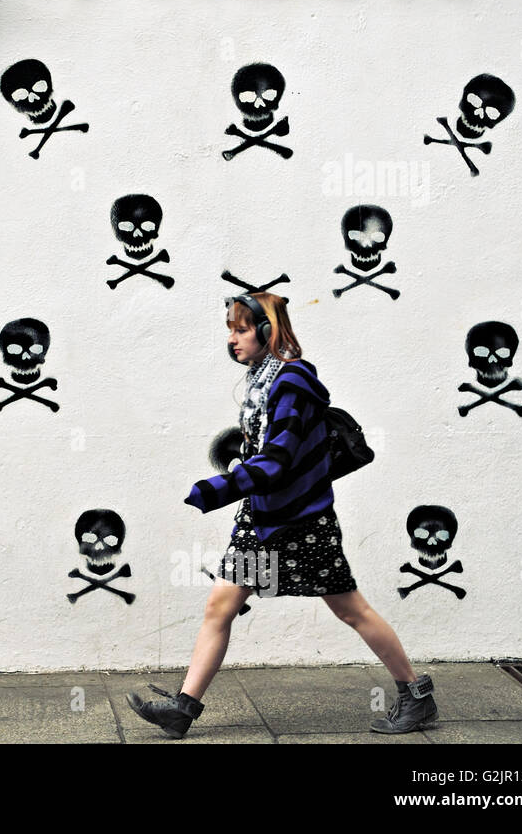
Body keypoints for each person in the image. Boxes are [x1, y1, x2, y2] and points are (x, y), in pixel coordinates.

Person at [126, 292, 436, 738]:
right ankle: (183, 708)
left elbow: (278, 458)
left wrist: (216, 488)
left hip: (303, 521)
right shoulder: (261, 380)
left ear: (268, 332)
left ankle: (416, 694)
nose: (232, 339)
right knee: (221, 605)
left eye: (241, 329)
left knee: (350, 609)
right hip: (263, 518)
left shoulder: (292, 382)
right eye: (229, 330)